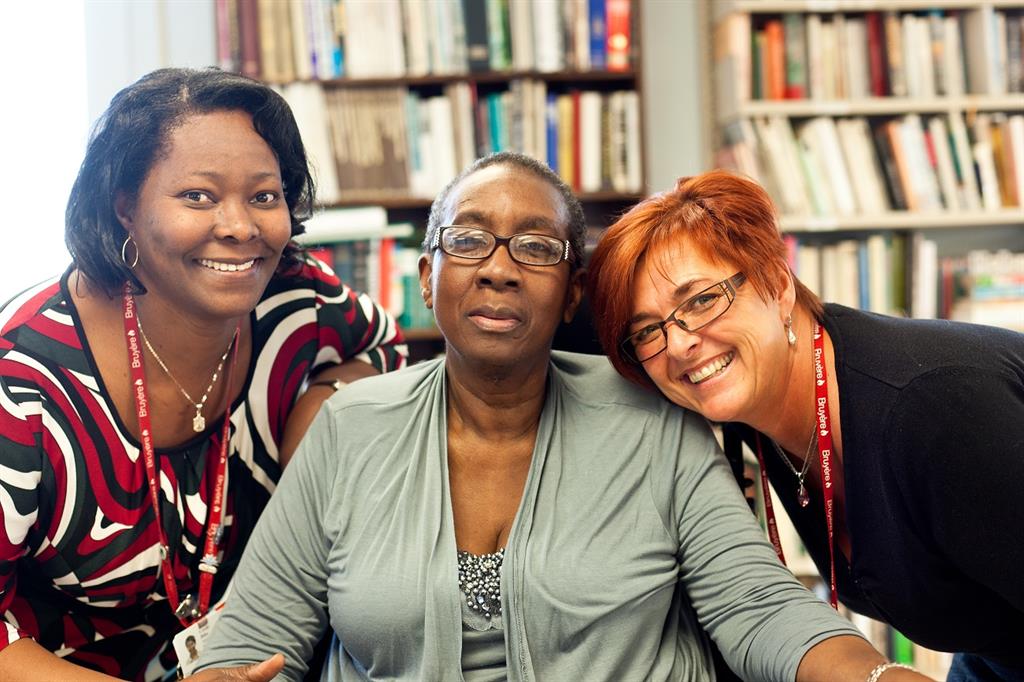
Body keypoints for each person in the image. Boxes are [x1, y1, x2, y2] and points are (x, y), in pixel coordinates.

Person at [193, 152, 929, 682]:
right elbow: (255, 642)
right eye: (469, 238)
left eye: (537, 247)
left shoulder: (654, 424)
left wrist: (874, 678)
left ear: (573, 293)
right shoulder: (348, 431)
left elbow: (756, 605)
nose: (499, 267)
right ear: (428, 275)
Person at [0, 67, 406, 680]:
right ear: (125, 207)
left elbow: (383, 351)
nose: (241, 227)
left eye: (264, 197)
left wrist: (316, 429)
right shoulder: (22, 379)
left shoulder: (294, 299)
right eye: (199, 196)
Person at [586, 170, 1024, 681]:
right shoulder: (765, 417)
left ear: (776, 282)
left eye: (701, 300)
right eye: (648, 332)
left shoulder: (933, 411)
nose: (680, 344)